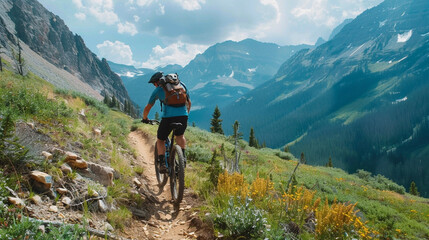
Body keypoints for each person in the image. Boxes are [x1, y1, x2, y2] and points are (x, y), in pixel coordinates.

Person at [142, 72, 191, 173]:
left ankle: (162, 164)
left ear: (157, 82)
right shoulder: (182, 85)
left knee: (161, 140)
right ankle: (183, 158)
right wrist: (185, 114)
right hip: (183, 116)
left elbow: (148, 107)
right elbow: (189, 103)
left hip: (168, 118)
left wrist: (145, 118)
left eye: (154, 84)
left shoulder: (158, 90)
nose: (154, 86)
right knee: (180, 136)